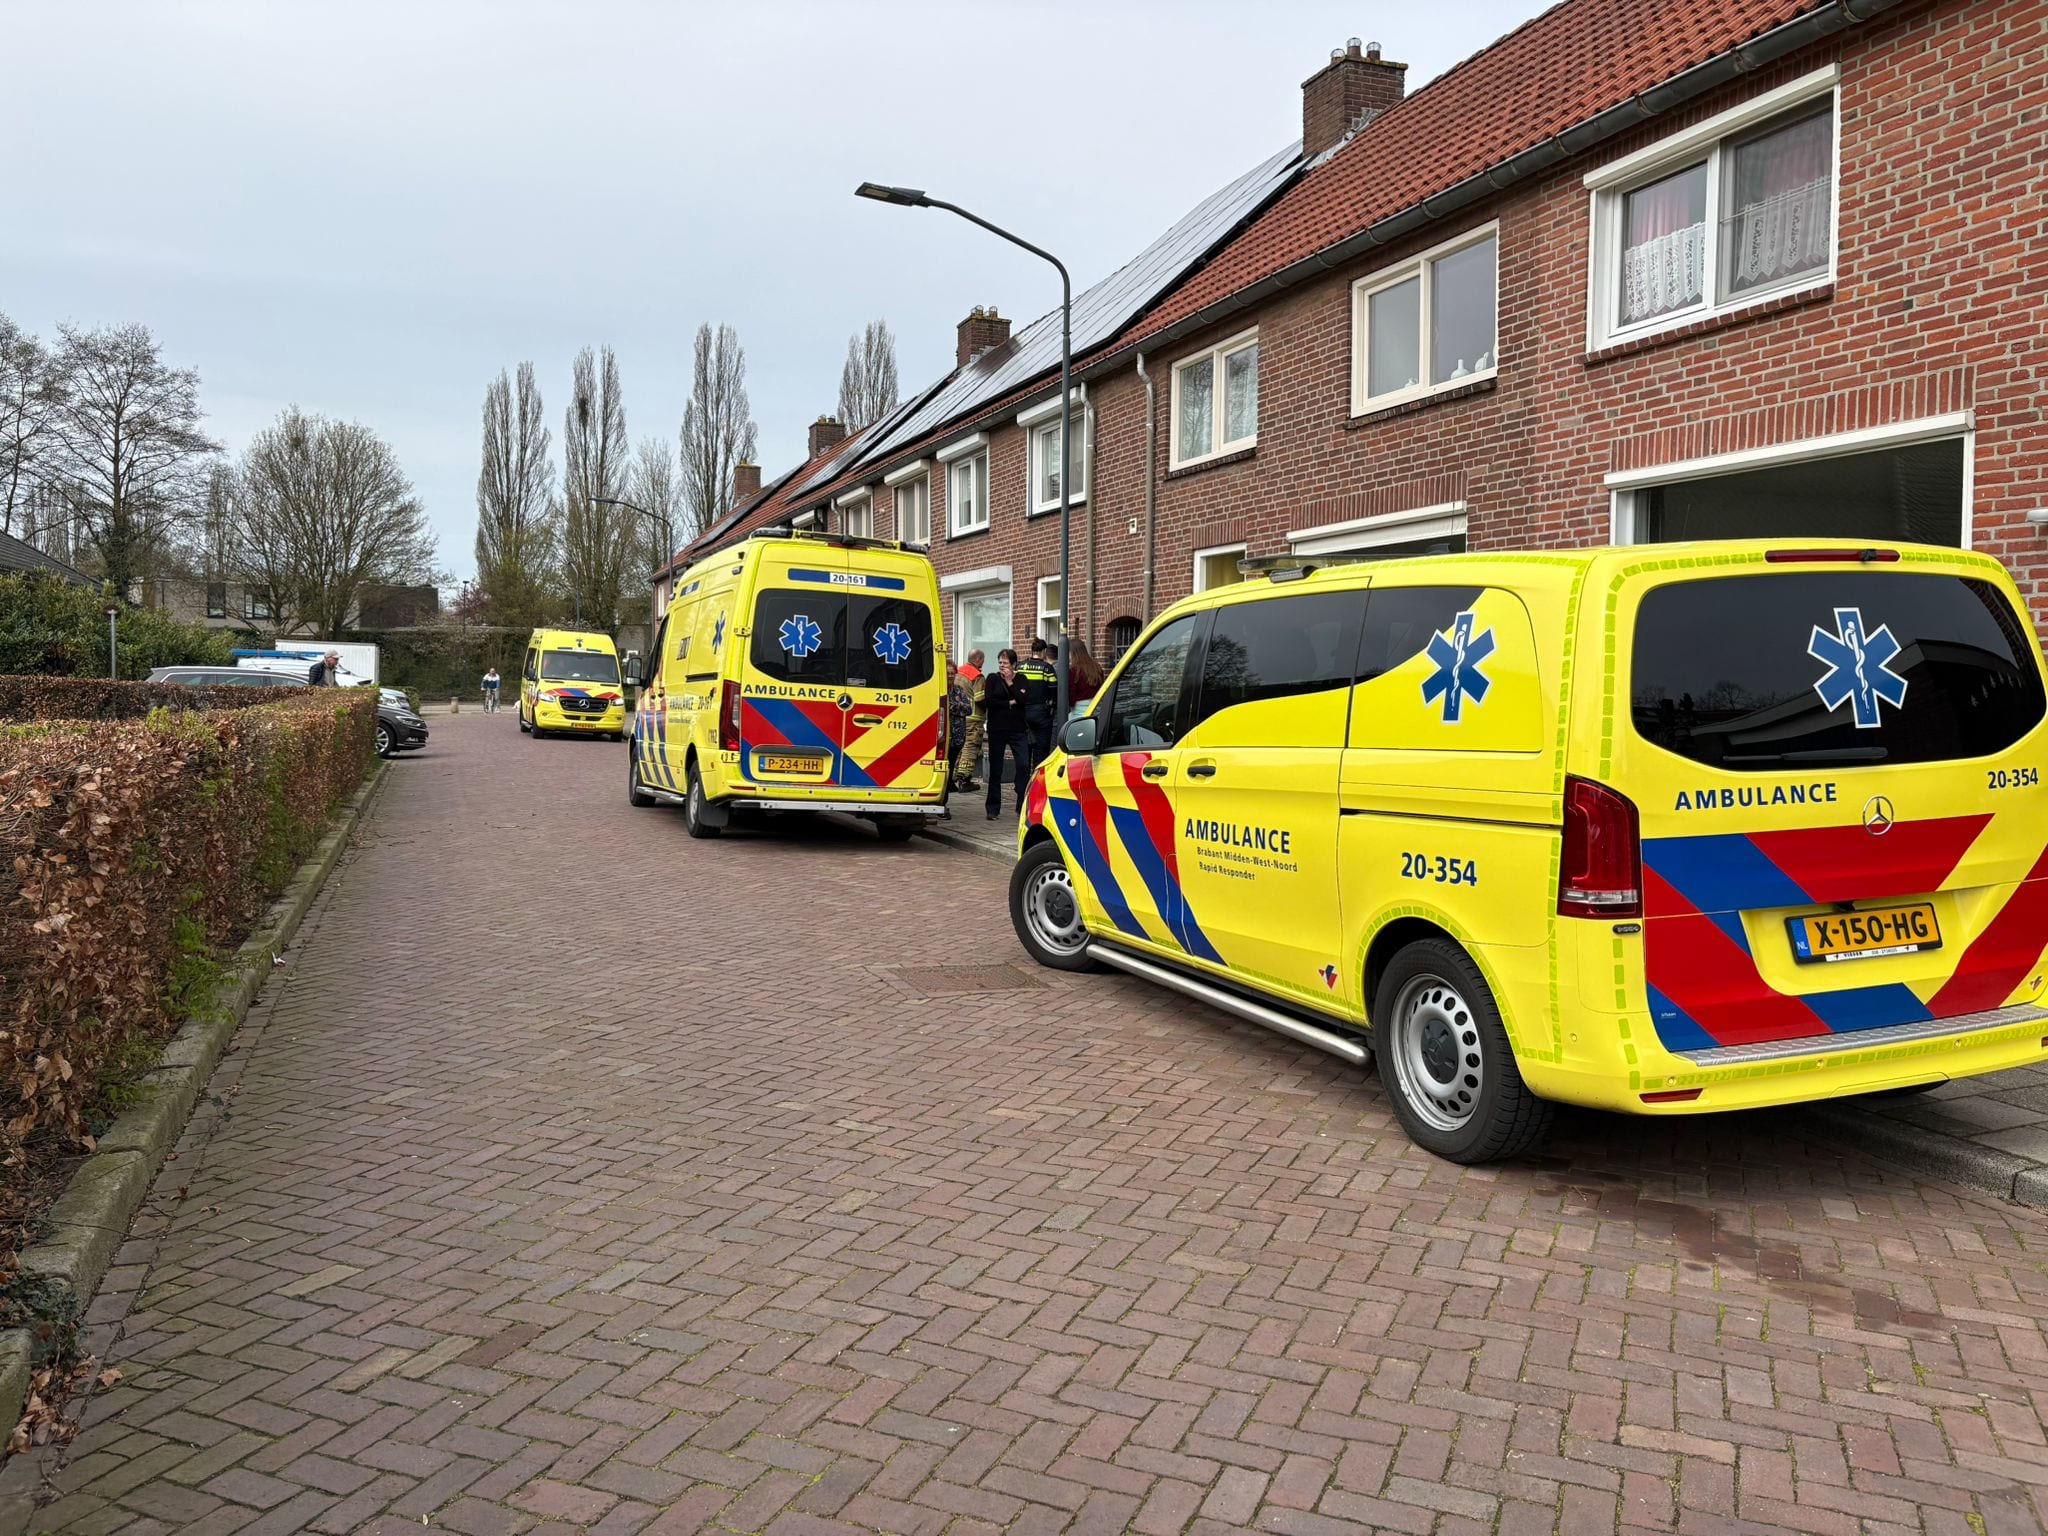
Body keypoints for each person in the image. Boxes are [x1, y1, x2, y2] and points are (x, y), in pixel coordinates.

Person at [983, 649, 1031, 820]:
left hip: (1018, 729)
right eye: (1000, 663)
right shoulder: (993, 679)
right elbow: (989, 702)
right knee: (996, 768)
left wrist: (1010, 682)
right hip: (997, 728)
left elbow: (1024, 700)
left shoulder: (1022, 679)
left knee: (1024, 765)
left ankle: (1021, 805)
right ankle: (993, 808)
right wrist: (1010, 702)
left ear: (1014, 664)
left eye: (1005, 663)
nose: (1002, 666)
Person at [952, 648, 986, 791]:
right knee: (971, 748)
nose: (983, 663)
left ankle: (953, 779)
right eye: (983, 660)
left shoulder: (957, 672)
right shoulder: (977, 676)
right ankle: (964, 780)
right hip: (973, 718)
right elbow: (980, 698)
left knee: (959, 748)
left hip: (959, 717)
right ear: (978, 659)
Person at [1019, 637, 1057, 765]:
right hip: (1041, 713)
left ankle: (1024, 776)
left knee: (1024, 749)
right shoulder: (1047, 668)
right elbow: (1053, 691)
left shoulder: (1021, 666)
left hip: (1023, 713)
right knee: (1041, 750)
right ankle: (1038, 774)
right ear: (1044, 651)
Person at [1066, 639, 1105, 713]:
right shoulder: (1097, 667)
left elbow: (1071, 697)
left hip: (1079, 710)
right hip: (1097, 708)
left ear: (1073, 653)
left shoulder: (1074, 671)